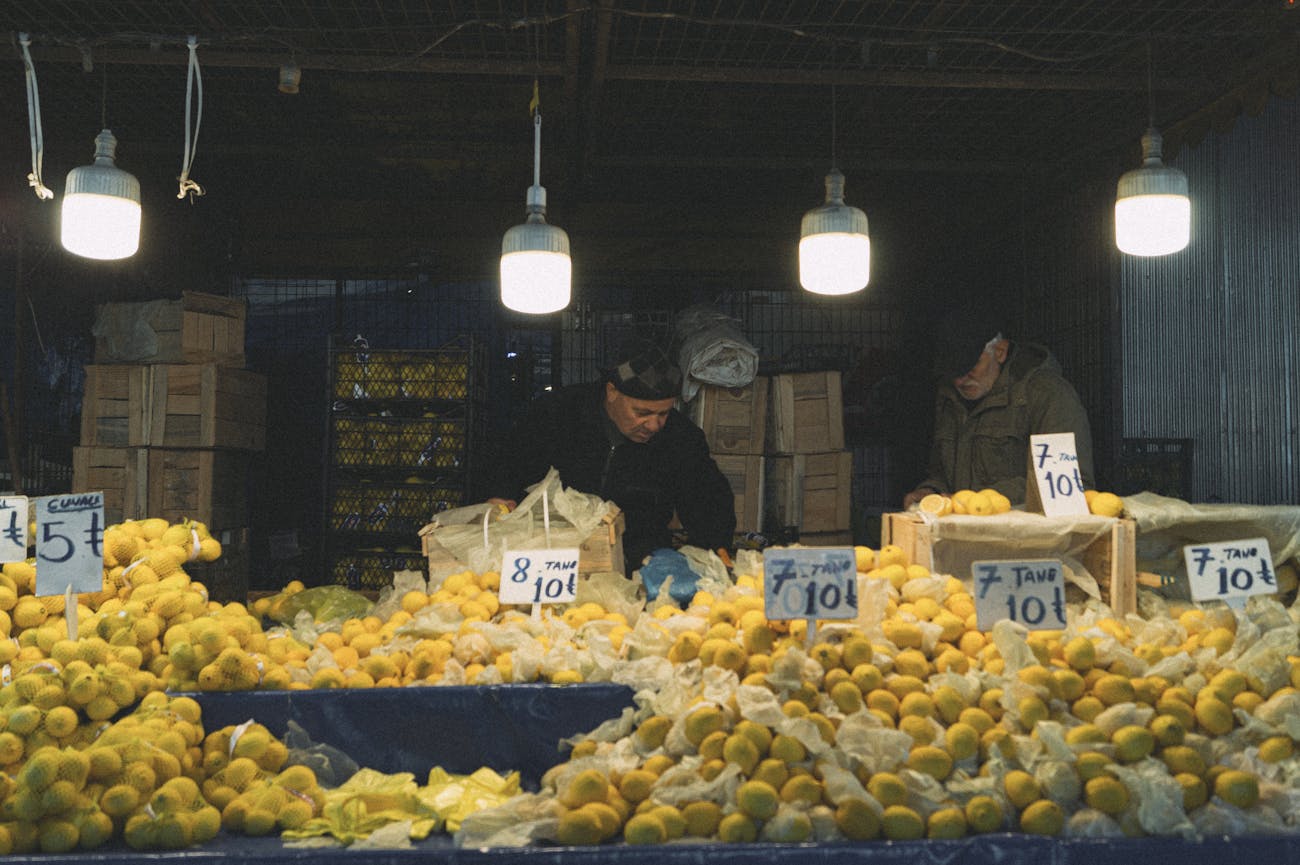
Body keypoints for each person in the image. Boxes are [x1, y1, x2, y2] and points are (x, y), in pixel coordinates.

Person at [489, 337, 735, 573]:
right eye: (642, 413)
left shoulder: (681, 438)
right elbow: (509, 461)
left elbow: (706, 497)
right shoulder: (557, 413)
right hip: (550, 553)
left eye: (663, 414)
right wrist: (501, 495)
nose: (653, 425)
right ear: (612, 392)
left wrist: (715, 545)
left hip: (639, 559)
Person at [903, 310, 1095, 508]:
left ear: (1000, 351)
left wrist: (979, 501)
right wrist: (930, 490)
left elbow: (1070, 485)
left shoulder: (1047, 395)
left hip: (1025, 535)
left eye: (970, 366)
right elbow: (942, 472)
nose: (960, 379)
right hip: (961, 530)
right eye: (953, 370)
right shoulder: (949, 397)